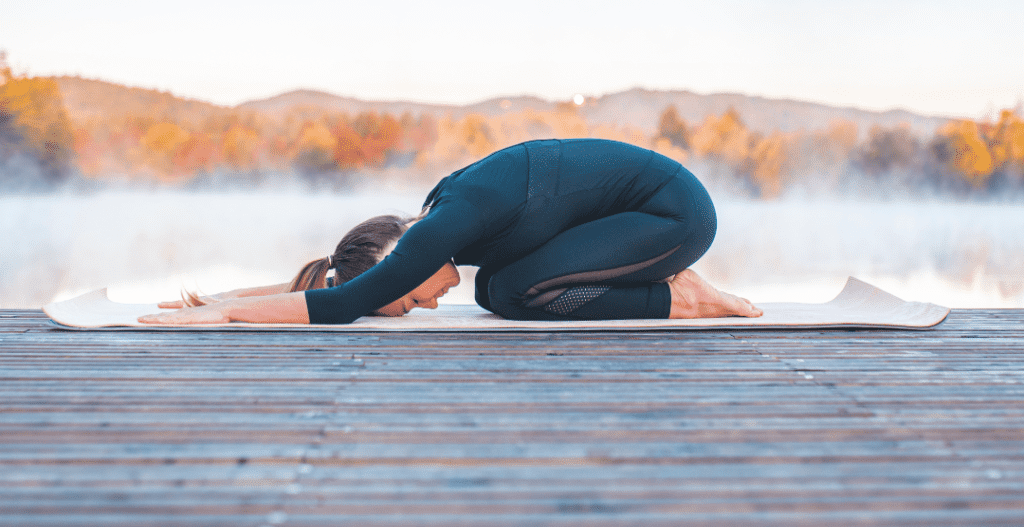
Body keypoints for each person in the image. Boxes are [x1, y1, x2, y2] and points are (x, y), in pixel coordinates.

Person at [140, 138, 762, 325]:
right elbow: (331, 279)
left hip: (674, 215)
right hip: (632, 220)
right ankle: (672, 291)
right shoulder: (435, 228)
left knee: (515, 294)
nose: (429, 301)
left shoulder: (442, 228)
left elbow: (341, 302)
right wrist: (222, 295)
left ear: (398, 255)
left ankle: (683, 297)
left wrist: (217, 320)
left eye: (410, 295)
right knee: (498, 291)